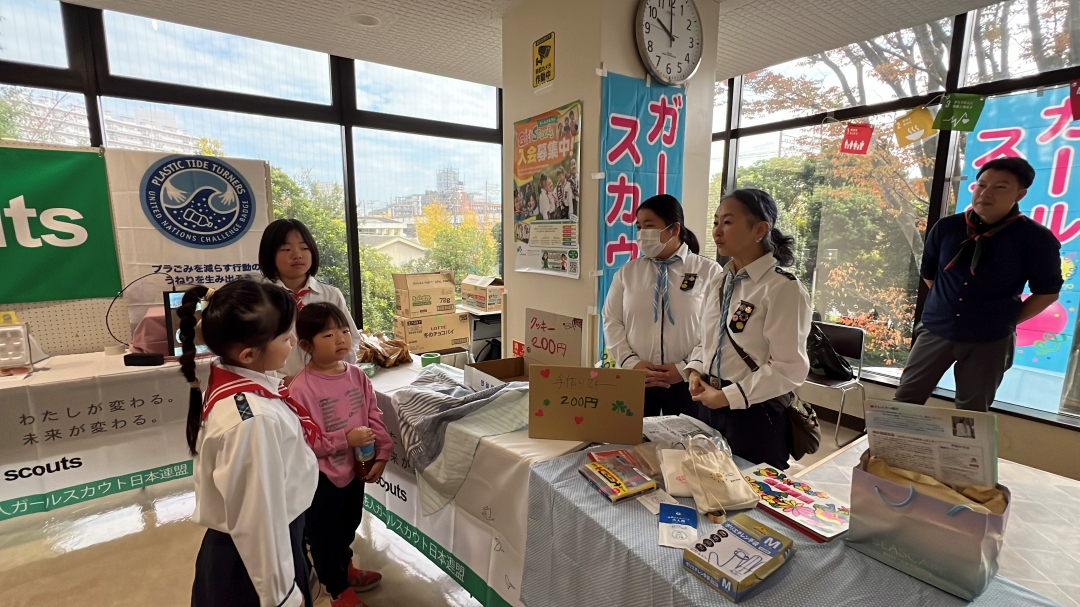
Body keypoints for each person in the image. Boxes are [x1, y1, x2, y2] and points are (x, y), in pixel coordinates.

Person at [177, 280, 318, 607]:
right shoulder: (253, 420)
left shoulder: (234, 379)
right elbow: (258, 520)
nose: (293, 340)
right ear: (250, 354)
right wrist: (281, 595)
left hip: (257, 545)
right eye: (284, 336)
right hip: (253, 562)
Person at [895, 157, 1062, 412]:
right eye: (981, 185)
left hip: (990, 339)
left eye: (1000, 187)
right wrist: (947, 306)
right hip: (935, 330)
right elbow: (929, 274)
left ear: (1020, 194)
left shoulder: (1036, 238)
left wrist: (1007, 320)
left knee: (972, 411)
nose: (985, 193)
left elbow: (1047, 292)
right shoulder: (947, 227)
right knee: (905, 400)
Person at [686, 189, 811, 469]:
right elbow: (706, 341)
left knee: (751, 488)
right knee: (709, 481)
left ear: (760, 230)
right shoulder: (720, 281)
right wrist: (695, 370)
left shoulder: (782, 288)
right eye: (716, 222)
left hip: (755, 412)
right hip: (709, 403)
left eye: (728, 222)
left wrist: (727, 397)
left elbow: (789, 367)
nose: (717, 231)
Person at [289, 303, 392, 607]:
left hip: (355, 470)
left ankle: (344, 568)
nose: (341, 339)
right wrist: (344, 440)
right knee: (324, 536)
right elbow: (304, 441)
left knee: (349, 523)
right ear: (306, 346)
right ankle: (336, 589)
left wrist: (382, 454)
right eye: (329, 335)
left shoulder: (357, 376)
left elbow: (374, 415)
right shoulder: (301, 388)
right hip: (322, 478)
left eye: (345, 331)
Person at [603, 194, 723, 417]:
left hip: (688, 380)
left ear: (674, 229)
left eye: (649, 226)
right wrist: (630, 362)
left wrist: (687, 367)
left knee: (686, 437)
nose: (642, 233)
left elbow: (716, 328)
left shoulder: (709, 271)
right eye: (639, 227)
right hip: (637, 378)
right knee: (633, 436)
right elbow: (611, 319)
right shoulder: (628, 272)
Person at [260, 218, 360, 377]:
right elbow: (255, 350)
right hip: (280, 387)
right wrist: (282, 380)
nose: (297, 255)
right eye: (286, 249)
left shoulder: (331, 295)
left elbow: (352, 339)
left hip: (327, 383)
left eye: (304, 248)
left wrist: (337, 370)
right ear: (269, 255)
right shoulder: (261, 300)